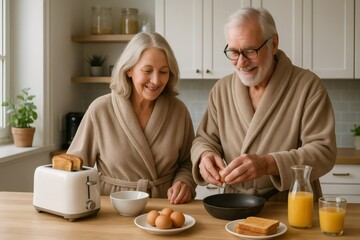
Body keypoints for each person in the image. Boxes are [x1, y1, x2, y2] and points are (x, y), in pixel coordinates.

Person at [191, 7, 336, 201]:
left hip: (291, 204)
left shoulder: (308, 86)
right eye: (234, 52)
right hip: (235, 205)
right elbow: (204, 139)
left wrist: (269, 164)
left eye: (250, 51)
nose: (241, 63)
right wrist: (204, 156)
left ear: (273, 44)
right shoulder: (221, 89)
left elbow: (323, 151)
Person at [67, 32, 196, 204]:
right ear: (129, 69)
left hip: (164, 209)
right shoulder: (100, 110)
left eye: (164, 71)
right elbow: (74, 167)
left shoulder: (178, 112)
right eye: (147, 70)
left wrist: (184, 182)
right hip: (112, 209)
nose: (156, 80)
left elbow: (188, 162)